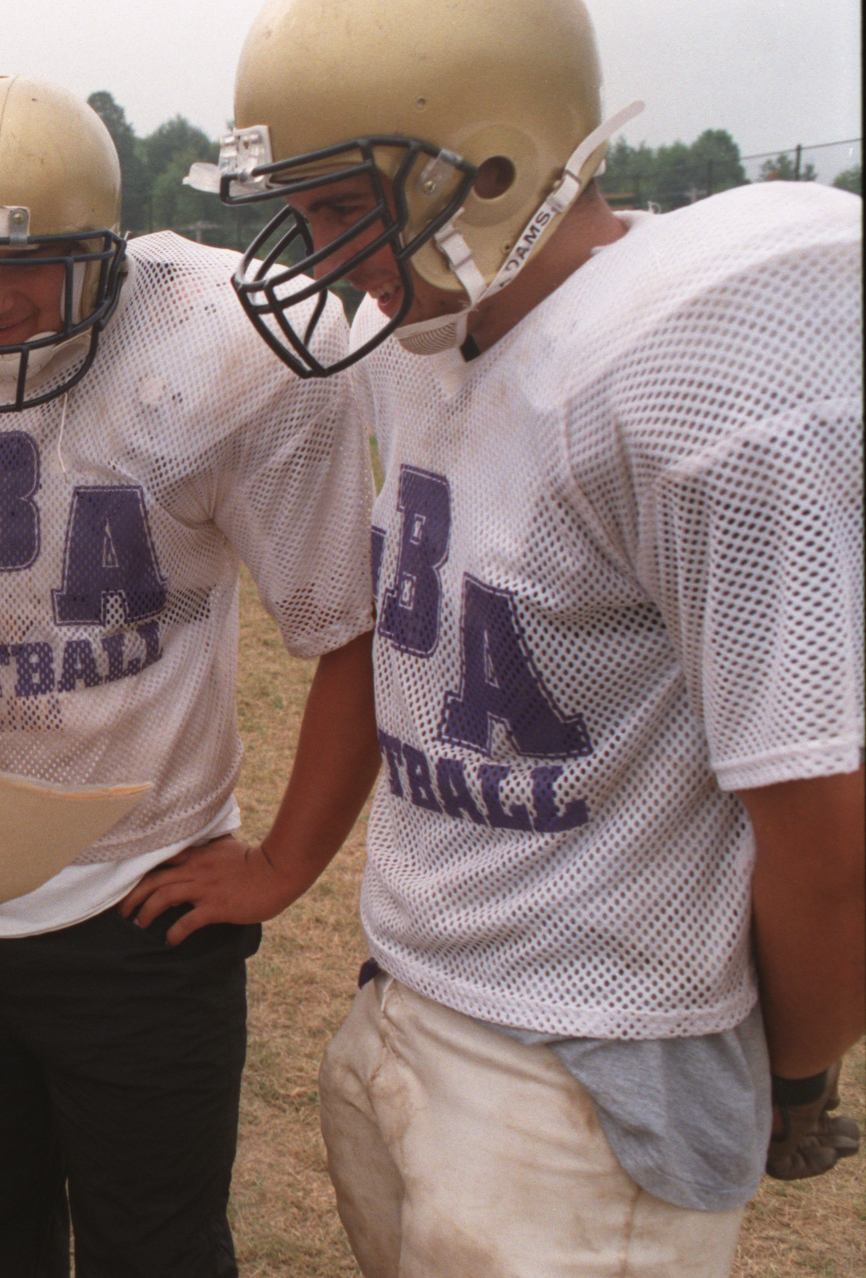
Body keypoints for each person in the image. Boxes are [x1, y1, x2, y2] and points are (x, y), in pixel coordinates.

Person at [199, 0, 864, 1272]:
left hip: (597, 1051)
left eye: (343, 210)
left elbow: (827, 836)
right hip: (411, 993)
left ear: (494, 172)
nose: (321, 261)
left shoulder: (690, 374)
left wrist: (787, 1072)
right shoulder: (442, 328)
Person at [0, 74, 381, 1276]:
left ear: (103, 258)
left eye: (33, 265)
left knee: (155, 1249)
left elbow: (350, 630)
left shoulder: (226, 349)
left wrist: (281, 864)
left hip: (143, 893)